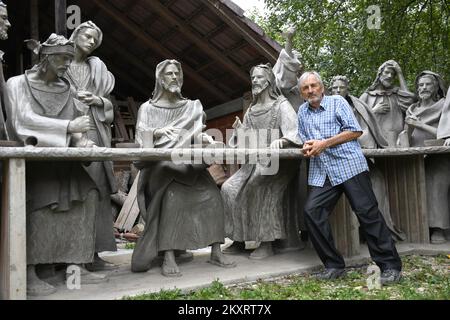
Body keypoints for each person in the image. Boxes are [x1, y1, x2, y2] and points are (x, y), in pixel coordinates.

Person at [5, 34, 105, 296]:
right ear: (45, 58)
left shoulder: (67, 89)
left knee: (89, 195)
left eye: (70, 60)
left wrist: (83, 142)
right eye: (62, 58)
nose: (66, 65)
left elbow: (76, 126)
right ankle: (29, 272)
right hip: (35, 164)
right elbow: (21, 121)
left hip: (65, 163)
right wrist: (68, 128)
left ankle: (75, 266)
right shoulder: (17, 84)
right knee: (38, 204)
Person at [131, 59, 235, 276]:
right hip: (161, 169)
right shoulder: (148, 109)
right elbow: (141, 142)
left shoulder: (191, 107)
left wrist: (204, 139)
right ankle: (168, 255)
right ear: (160, 78)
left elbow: (195, 135)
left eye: (177, 74)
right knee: (172, 199)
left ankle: (216, 251)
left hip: (190, 167)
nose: (174, 77)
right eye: (169, 74)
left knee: (212, 197)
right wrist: (158, 133)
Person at [297, 71, 402, 284]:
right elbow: (305, 138)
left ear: (322, 87)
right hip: (323, 170)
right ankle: (334, 265)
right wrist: (307, 147)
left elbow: (355, 131)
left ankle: (390, 266)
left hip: (349, 165)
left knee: (367, 213)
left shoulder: (337, 102)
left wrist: (323, 143)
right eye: (306, 88)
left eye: (314, 85)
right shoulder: (302, 111)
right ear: (301, 92)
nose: (311, 91)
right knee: (312, 211)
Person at [221, 64, 302, 259]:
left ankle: (266, 241)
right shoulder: (252, 109)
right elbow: (248, 140)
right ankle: (239, 239)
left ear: (268, 81)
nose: (254, 81)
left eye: (258, 78)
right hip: (253, 162)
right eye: (253, 78)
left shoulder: (281, 105)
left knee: (257, 185)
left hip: (278, 163)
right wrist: (241, 130)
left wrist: (282, 140)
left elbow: (294, 132)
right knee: (228, 188)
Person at [67, 21, 118, 271]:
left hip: (94, 133)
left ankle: (94, 253)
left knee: (96, 192)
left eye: (94, 41)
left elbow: (109, 109)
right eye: (86, 36)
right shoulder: (60, 64)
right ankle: (71, 255)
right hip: (66, 136)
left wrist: (97, 99)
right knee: (72, 192)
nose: (90, 42)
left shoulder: (96, 69)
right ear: (75, 35)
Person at [330, 75, 405, 241]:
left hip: (360, 155)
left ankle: (380, 231)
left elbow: (365, 128)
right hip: (336, 161)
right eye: (334, 88)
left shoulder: (357, 105)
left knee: (377, 180)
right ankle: (353, 235)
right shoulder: (325, 107)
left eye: (341, 87)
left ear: (347, 89)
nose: (337, 91)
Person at [402, 71, 449, 244]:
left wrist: (420, 124)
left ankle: (438, 228)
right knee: (405, 182)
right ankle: (413, 227)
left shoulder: (444, 106)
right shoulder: (412, 109)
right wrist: (409, 128)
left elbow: (445, 134)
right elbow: (405, 135)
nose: (423, 88)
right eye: (421, 85)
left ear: (436, 86)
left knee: (434, 181)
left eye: (428, 84)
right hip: (414, 156)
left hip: (438, 156)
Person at [360, 60, 416, 147]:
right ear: (379, 74)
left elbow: (408, 99)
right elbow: (357, 119)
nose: (389, 76)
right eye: (386, 72)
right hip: (374, 142)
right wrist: (373, 111)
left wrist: (400, 73)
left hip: (397, 142)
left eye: (393, 74)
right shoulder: (367, 96)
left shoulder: (396, 94)